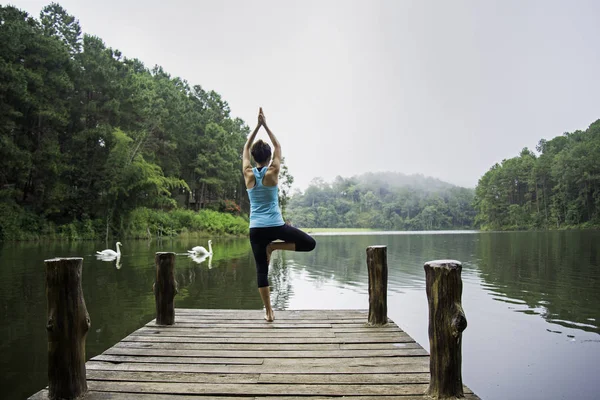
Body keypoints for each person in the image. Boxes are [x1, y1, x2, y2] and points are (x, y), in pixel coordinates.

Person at [243, 107, 316, 322]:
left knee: (261, 271)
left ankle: (268, 311)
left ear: (254, 158)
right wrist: (265, 124)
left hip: (256, 229)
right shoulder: (273, 172)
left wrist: (256, 126)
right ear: (268, 157)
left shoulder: (248, 173)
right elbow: (278, 146)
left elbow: (245, 147)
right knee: (309, 243)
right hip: (276, 226)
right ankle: (274, 246)